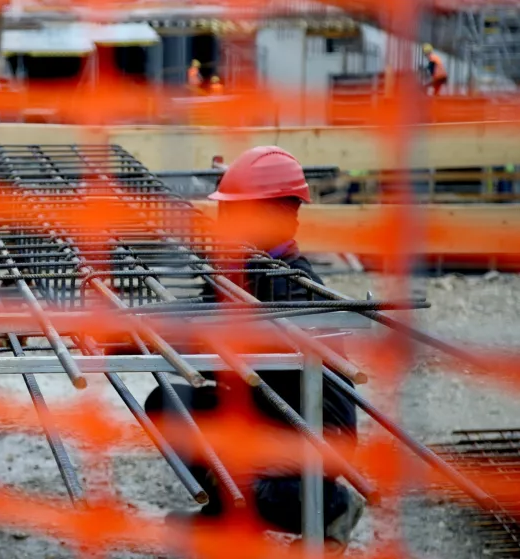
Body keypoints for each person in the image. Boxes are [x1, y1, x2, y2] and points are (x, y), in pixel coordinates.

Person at [143, 146, 364, 553]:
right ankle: (227, 519)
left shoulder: (290, 288)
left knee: (243, 478)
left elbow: (215, 340)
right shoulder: (248, 268)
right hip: (267, 411)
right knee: (169, 402)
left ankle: (332, 508)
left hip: (315, 437)